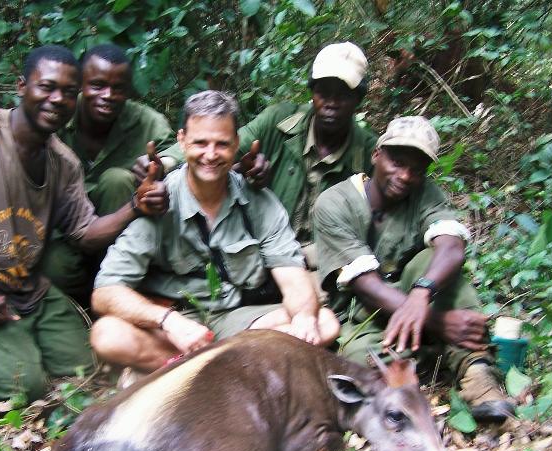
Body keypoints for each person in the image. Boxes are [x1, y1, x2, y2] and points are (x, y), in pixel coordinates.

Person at [0, 45, 168, 401]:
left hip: (26, 289)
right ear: (22, 86)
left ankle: (20, 338)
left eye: (67, 92)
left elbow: (85, 233)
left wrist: (135, 206)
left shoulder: (63, 162)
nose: (57, 100)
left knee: (92, 363)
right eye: (46, 87)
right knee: (23, 385)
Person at [90, 90, 340, 377]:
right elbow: (105, 292)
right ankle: (241, 369)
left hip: (241, 320)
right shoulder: (160, 201)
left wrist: (305, 318)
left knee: (325, 323)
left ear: (236, 144)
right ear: (182, 141)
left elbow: (292, 276)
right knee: (107, 335)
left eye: (222, 144)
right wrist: (169, 321)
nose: (211, 155)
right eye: (200, 143)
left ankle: (201, 373)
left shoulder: (258, 201)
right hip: (180, 322)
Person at [314, 116, 515, 422]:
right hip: (363, 315)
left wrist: (422, 294)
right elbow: (365, 284)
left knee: (435, 266)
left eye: (416, 169)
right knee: (362, 364)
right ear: (377, 155)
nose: (405, 175)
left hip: (416, 301)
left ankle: (477, 374)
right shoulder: (335, 202)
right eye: (396, 162)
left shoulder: (425, 194)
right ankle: (426, 363)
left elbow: (451, 245)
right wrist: (439, 323)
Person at [0, 43, 174, 300]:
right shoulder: (60, 109)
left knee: (117, 179)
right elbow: (15, 123)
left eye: (118, 88)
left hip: (109, 230)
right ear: (82, 85)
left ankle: (118, 288)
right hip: (56, 231)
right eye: (97, 85)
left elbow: (184, 145)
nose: (108, 95)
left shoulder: (144, 120)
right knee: (53, 268)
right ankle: (85, 301)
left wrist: (161, 164)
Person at [159, 42, 377, 267]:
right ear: (312, 92)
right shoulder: (279, 121)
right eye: (324, 92)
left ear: (358, 99)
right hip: (263, 252)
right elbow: (220, 144)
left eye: (343, 95)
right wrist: (164, 162)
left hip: (325, 262)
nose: (331, 104)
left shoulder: (368, 152)